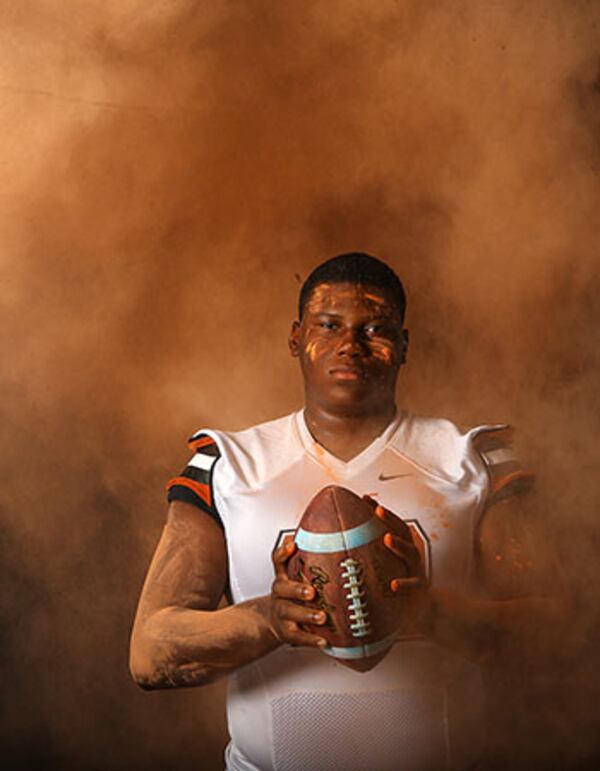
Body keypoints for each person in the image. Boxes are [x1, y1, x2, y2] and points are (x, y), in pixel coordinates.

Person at [129, 252, 566, 771]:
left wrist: (433, 613)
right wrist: (270, 618)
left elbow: (556, 638)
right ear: (295, 338)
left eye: (376, 329)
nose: (350, 346)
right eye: (329, 326)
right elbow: (150, 653)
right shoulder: (229, 464)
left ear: (404, 346)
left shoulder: (472, 459)